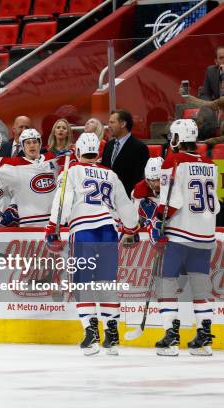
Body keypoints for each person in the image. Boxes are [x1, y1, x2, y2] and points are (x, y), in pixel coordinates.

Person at [45, 132, 140, 356]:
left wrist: (52, 228)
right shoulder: (110, 173)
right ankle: (112, 335)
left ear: (77, 151)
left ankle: (91, 334)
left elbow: (63, 201)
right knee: (105, 284)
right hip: (108, 231)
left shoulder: (72, 171)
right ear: (97, 152)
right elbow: (126, 206)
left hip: (85, 231)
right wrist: (131, 228)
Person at [148, 119, 219, 357]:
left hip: (180, 234)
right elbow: (216, 206)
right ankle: (203, 339)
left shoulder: (174, 161)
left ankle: (171, 337)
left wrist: (156, 223)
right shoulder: (210, 164)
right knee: (201, 285)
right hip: (206, 234)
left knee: (166, 282)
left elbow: (171, 201)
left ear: (176, 139)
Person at [0, 128, 62, 227]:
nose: (31, 145)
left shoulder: (53, 160)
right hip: (29, 225)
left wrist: (70, 157)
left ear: (40, 144)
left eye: (35, 142)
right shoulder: (14, 166)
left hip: (54, 223)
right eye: (27, 143)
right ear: (22, 146)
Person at [101, 109, 150, 198]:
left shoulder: (139, 148)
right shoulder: (108, 145)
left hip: (128, 199)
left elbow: (140, 179)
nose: (109, 126)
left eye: (112, 122)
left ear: (123, 124)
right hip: (107, 198)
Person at [131, 157, 163, 226]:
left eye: (159, 179)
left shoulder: (174, 186)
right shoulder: (139, 189)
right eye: (152, 180)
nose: (156, 184)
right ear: (146, 179)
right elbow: (135, 217)